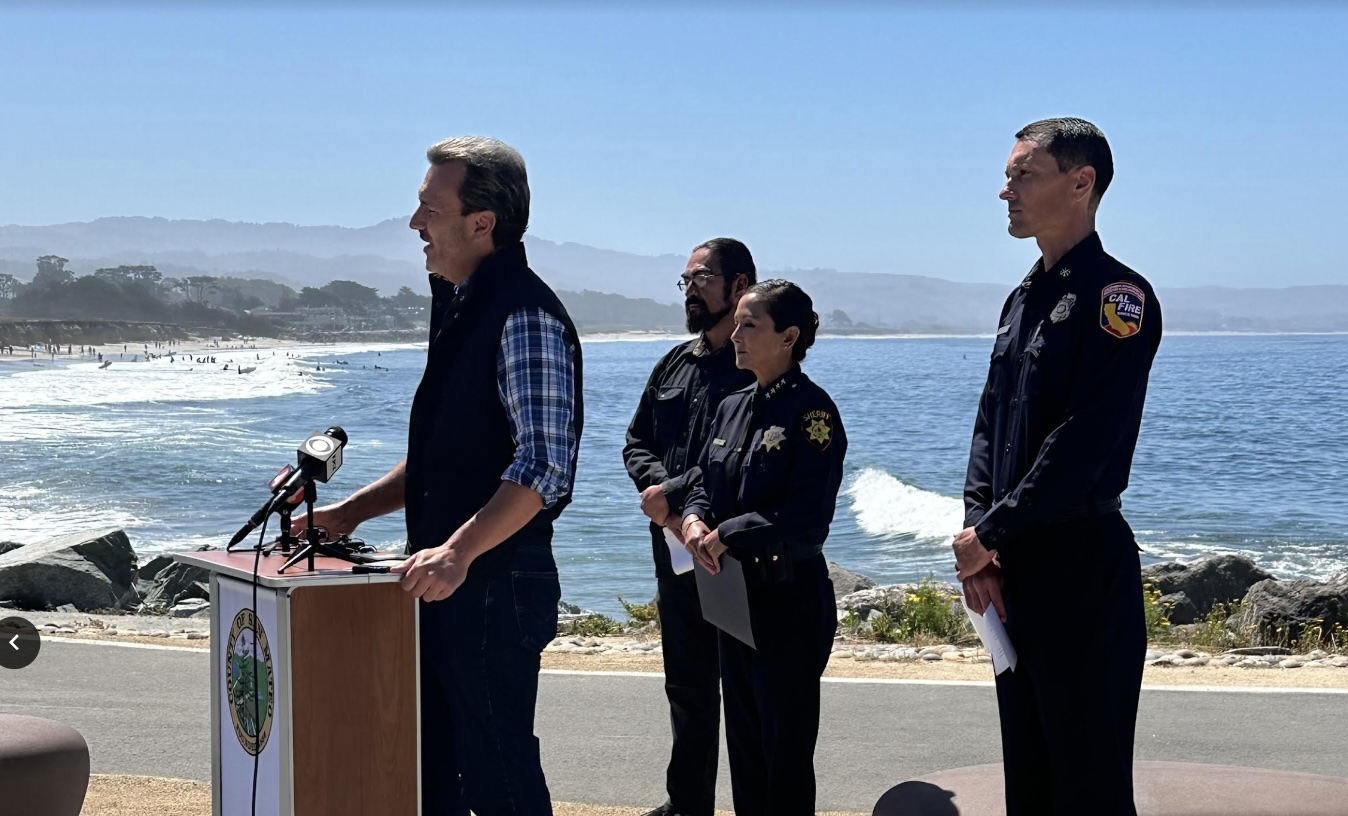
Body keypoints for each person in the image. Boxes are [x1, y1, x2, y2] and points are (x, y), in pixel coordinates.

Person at [300, 136, 583, 816]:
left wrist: (457, 552)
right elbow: (443, 456)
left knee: (498, 776)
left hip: (495, 586)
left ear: (481, 223)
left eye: (430, 207)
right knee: (437, 774)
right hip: (449, 585)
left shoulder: (525, 314)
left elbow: (542, 467)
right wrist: (347, 516)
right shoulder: (460, 302)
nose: (414, 224)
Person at [955, 118, 1162, 816]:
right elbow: (991, 427)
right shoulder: (1022, 300)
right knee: (1032, 782)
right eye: (1009, 175)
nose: (1004, 190)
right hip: (1014, 569)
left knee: (1088, 785)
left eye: (1023, 175)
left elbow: (1086, 440)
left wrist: (993, 532)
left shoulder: (1118, 298)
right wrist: (976, 537)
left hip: (1079, 564)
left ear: (1081, 183)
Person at [682, 280, 847, 816]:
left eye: (750, 325)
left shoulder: (812, 414)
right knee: (746, 744)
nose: (736, 335)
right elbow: (705, 480)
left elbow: (807, 514)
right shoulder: (731, 405)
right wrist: (692, 519)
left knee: (785, 750)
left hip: (789, 599)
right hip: (734, 598)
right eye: (737, 323)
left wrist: (727, 533)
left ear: (789, 336)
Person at [622, 237, 758, 816]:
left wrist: (674, 501)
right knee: (687, 683)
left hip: (732, 550)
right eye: (686, 281)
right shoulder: (676, 362)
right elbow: (637, 441)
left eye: (701, 279)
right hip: (675, 549)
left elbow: (736, 456)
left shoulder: (758, 363)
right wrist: (659, 497)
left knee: (750, 693)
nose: (691, 291)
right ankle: (688, 804)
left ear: (739, 285)